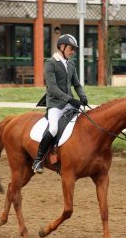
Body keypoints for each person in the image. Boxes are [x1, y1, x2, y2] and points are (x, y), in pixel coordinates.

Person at [32, 34, 88, 174]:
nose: (73, 51)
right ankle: (38, 159)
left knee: (83, 124)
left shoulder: (70, 64)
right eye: (71, 48)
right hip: (55, 104)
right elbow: (52, 87)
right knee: (54, 129)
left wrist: (82, 96)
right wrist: (69, 99)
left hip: (70, 104)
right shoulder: (50, 63)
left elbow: (77, 84)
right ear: (61, 47)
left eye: (74, 49)